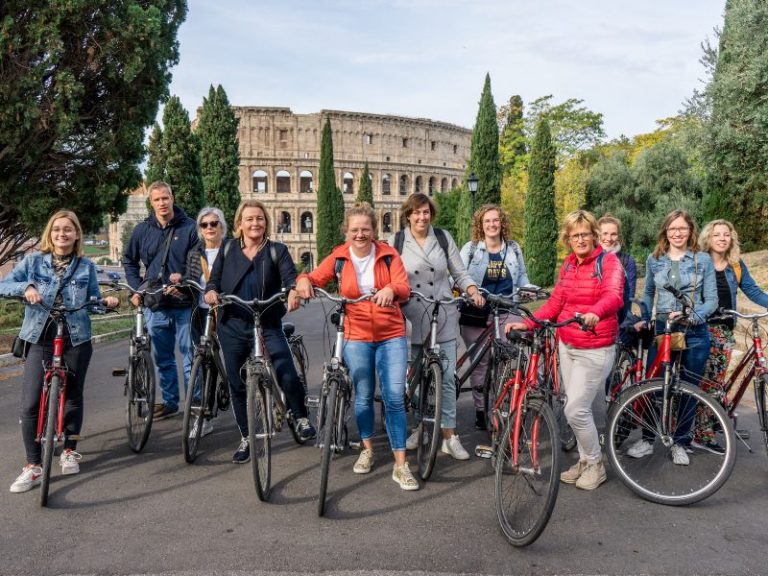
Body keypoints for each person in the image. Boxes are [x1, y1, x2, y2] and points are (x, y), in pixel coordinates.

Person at [295, 202, 418, 490]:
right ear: (346, 232)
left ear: (374, 230)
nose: (360, 234)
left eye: (365, 229)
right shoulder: (339, 257)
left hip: (391, 333)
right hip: (356, 334)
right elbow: (312, 277)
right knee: (362, 396)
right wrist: (302, 281)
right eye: (354, 230)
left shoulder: (389, 255)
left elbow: (403, 286)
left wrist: (391, 289)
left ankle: (401, 465)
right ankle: (367, 449)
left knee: (394, 397)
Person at [1, 210, 118, 493]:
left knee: (73, 396)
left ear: (77, 234)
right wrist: (26, 287)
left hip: (76, 338)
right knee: (29, 402)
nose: (61, 234)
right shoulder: (32, 262)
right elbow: (4, 285)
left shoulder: (85, 266)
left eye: (68, 230)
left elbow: (91, 301)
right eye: (56, 230)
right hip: (40, 336)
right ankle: (32, 465)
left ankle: (69, 449)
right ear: (49, 234)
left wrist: (105, 302)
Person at [506, 210, 623, 490]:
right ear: (567, 239)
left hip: (595, 347)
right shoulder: (569, 266)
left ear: (594, 235)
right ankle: (584, 460)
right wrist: (528, 323)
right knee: (575, 406)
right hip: (567, 345)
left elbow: (614, 295)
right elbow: (555, 304)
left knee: (575, 410)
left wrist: (595, 312)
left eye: (584, 234)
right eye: (574, 235)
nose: (580, 239)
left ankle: (595, 464)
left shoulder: (608, 262)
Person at [204, 200, 315, 464]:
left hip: (266, 320)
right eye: (250, 219)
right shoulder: (228, 248)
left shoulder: (277, 250)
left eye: (260, 219)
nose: (255, 223)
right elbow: (214, 279)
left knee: (285, 368)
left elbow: (289, 277)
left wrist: (292, 291)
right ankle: (246, 437)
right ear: (239, 224)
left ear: (266, 222)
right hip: (232, 323)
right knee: (237, 383)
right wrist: (211, 291)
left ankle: (299, 416)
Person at [390, 193, 484, 461]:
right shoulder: (396, 242)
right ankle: (420, 427)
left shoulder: (443, 238)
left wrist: (471, 289)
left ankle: (449, 436)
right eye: (417, 212)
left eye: (426, 212)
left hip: (442, 312)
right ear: (408, 215)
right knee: (417, 379)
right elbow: (387, 277)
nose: (422, 217)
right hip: (411, 314)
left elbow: (459, 271)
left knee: (446, 377)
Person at [626, 209, 717, 465]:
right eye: (672, 229)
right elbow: (648, 294)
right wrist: (644, 315)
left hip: (694, 330)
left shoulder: (703, 260)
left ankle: (681, 442)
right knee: (654, 385)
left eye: (682, 228)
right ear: (666, 231)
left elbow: (711, 300)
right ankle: (647, 438)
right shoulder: (654, 259)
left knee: (688, 389)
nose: (677, 233)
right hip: (663, 329)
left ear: (690, 231)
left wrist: (693, 316)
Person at [123, 181, 198, 419]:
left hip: (185, 303)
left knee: (190, 359)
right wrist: (137, 289)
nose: (162, 203)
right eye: (157, 199)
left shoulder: (191, 228)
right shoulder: (142, 230)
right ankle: (170, 402)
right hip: (155, 304)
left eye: (165, 198)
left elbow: (198, 264)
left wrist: (184, 282)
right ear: (151, 202)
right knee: (163, 358)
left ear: (172, 198)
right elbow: (129, 260)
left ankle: (195, 409)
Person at [697, 219, 768, 452]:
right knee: (708, 382)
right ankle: (702, 434)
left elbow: (753, 290)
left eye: (726, 235)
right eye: (717, 234)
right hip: (704, 328)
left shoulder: (736, 265)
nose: (721, 238)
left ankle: (715, 419)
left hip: (725, 329)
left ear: (731, 238)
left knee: (717, 382)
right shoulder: (699, 262)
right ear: (709, 238)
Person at [459, 204, 529, 430]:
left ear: (502, 223)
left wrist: (528, 289)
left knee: (505, 360)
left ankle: (500, 405)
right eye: (487, 221)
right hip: (477, 313)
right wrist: (471, 294)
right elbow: (458, 277)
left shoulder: (513, 249)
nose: (492, 225)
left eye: (495, 220)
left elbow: (522, 278)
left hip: (506, 310)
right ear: (481, 225)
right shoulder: (470, 249)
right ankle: (481, 410)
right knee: (480, 363)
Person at [171, 206, 228, 438]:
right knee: (204, 363)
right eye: (204, 225)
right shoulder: (194, 253)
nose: (209, 228)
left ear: (222, 226)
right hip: (201, 313)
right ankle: (203, 416)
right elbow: (191, 280)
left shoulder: (232, 249)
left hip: (228, 312)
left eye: (214, 223)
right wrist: (179, 284)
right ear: (200, 229)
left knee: (237, 361)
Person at [598, 214, 637, 323]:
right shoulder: (589, 258)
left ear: (618, 236)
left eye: (613, 234)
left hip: (616, 321)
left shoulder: (627, 261)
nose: (609, 238)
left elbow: (629, 297)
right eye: (604, 233)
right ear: (597, 235)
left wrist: (622, 324)